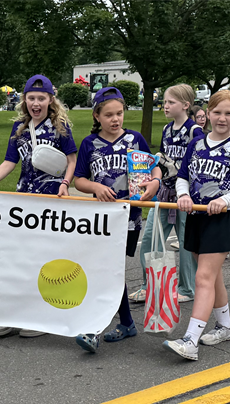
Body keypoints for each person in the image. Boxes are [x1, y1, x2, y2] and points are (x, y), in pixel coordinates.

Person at [0, 74, 78, 338]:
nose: (36, 103)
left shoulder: (60, 126)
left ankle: (41, 317)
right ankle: (13, 313)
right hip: (24, 200)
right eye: (31, 98)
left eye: (41, 98)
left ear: (50, 100)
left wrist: (65, 183)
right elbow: (10, 160)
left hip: (50, 200)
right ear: (24, 100)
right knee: (19, 257)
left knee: (45, 258)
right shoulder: (19, 127)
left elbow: (72, 159)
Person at [163, 90, 230, 361]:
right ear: (207, 114)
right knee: (213, 277)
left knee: (203, 277)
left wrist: (225, 200)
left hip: (222, 220)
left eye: (229, 113)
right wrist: (183, 195)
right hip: (196, 217)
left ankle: (190, 340)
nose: (222, 118)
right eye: (217, 112)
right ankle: (226, 326)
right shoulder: (196, 144)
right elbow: (183, 176)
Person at [72, 87, 162, 353]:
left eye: (119, 113)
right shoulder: (90, 143)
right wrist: (95, 187)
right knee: (107, 269)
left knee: (110, 270)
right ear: (96, 116)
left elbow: (154, 166)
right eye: (109, 115)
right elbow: (79, 179)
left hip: (129, 216)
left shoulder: (134, 139)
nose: (115, 119)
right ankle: (107, 325)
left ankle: (119, 323)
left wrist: (155, 182)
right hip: (101, 218)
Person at [129, 84, 201, 306]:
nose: (165, 106)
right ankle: (149, 285)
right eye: (165, 102)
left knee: (185, 242)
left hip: (185, 196)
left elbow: (197, 163)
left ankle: (187, 288)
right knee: (150, 238)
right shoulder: (167, 129)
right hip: (164, 193)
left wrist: (177, 169)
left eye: (171, 102)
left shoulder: (194, 131)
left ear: (186, 105)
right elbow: (162, 160)